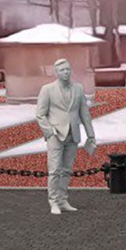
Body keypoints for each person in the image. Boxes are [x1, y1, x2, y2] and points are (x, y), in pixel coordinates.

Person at [36, 58, 96, 214]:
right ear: (56, 73)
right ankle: (53, 202)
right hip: (55, 136)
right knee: (54, 170)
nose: (66, 72)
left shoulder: (78, 88)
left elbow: (84, 113)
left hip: (73, 135)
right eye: (62, 70)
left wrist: (91, 135)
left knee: (66, 170)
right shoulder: (47, 89)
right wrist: (50, 132)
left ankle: (63, 200)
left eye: (68, 69)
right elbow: (40, 114)